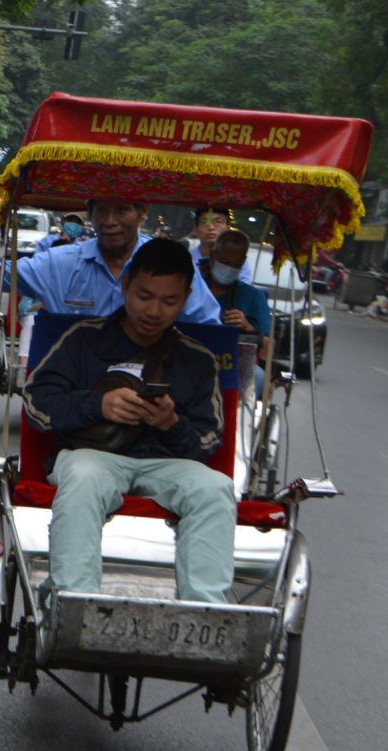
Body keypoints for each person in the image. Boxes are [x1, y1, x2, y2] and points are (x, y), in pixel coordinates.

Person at [22, 238, 235, 604]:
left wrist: (171, 424)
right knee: (84, 477)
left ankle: (206, 609)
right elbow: (37, 401)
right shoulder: (82, 340)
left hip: (168, 462)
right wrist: (98, 404)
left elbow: (208, 439)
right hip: (92, 456)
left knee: (215, 489)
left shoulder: (198, 359)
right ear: (125, 287)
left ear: (185, 299)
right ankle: (75, 600)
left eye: (169, 302)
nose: (154, 311)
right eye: (144, 296)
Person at [0, 199, 222, 325]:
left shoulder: (169, 265)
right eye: (102, 211)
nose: (110, 220)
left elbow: (208, 327)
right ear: (91, 216)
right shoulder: (61, 264)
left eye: (122, 210)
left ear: (142, 214)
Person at [201, 229, 273, 395]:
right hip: (190, 359)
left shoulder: (253, 297)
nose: (229, 269)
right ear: (213, 256)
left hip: (235, 365)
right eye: (224, 262)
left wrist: (247, 326)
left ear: (243, 263)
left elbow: (269, 347)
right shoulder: (194, 287)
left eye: (236, 265)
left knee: (259, 378)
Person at [189, 205, 254, 285]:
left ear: (228, 229)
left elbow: (245, 285)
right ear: (196, 229)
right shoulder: (186, 258)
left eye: (218, 221)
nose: (211, 227)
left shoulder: (236, 260)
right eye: (204, 222)